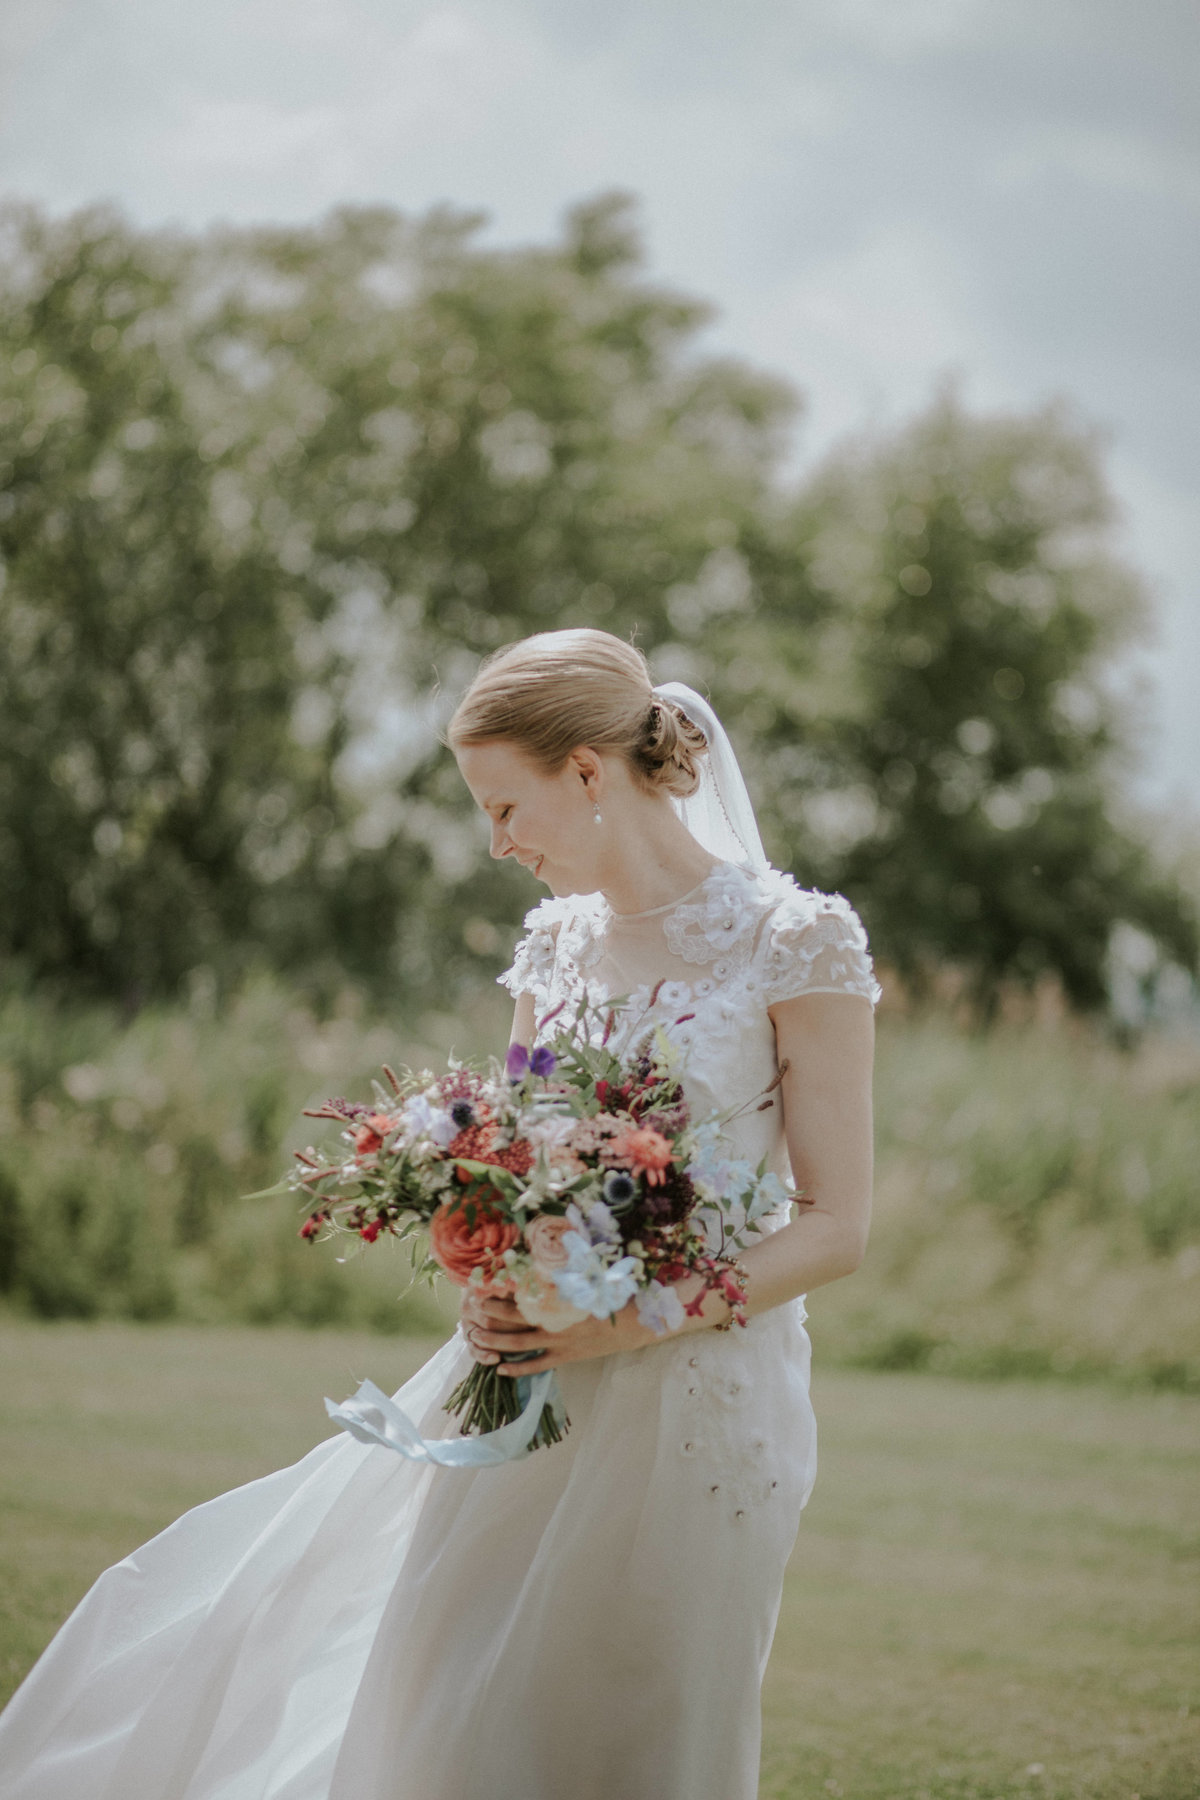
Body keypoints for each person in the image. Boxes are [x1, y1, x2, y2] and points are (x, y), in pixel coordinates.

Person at [0, 627, 878, 1800]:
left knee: (638, 1713)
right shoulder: (552, 946)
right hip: (520, 1372)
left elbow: (836, 1225)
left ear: (585, 771)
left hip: (703, 1400)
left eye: (505, 806)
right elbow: (514, 1152)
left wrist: (629, 1321)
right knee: (440, 1698)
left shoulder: (796, 941)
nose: (498, 842)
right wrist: (490, 1244)